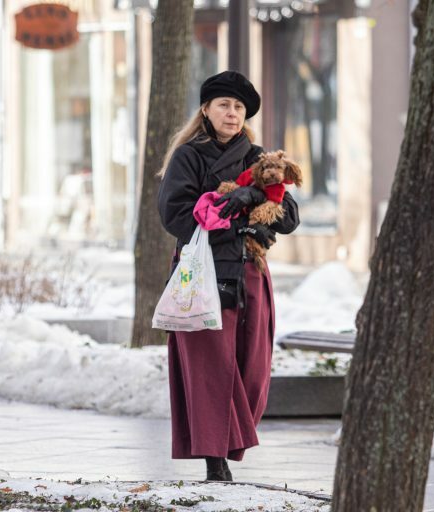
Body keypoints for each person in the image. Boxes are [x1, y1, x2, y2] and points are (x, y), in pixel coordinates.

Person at [157, 71, 299, 481]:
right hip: (202, 274)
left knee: (251, 369)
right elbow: (175, 214)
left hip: (250, 275)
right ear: (206, 109)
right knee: (210, 369)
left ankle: (228, 443)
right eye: (224, 104)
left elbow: (288, 216)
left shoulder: (259, 158)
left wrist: (255, 196)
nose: (232, 113)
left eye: (238, 107)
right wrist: (236, 223)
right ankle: (214, 460)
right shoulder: (189, 156)